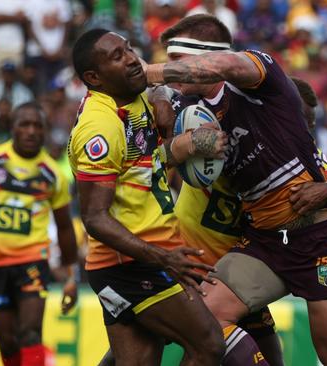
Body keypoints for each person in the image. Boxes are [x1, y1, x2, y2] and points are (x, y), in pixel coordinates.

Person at [145, 14, 327, 366]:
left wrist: (152, 72)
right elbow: (155, 151)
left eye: (177, 61)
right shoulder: (189, 110)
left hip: (319, 236)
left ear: (200, 58)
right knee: (202, 322)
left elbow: (218, 65)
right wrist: (165, 106)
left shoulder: (258, 74)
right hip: (264, 241)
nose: (171, 71)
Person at [68, 29, 226, 365]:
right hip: (129, 263)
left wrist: (171, 118)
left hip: (133, 260)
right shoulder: (100, 128)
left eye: (128, 49)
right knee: (209, 343)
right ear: (94, 78)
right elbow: (94, 218)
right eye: (117, 57)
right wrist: (163, 258)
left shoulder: (132, 96)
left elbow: (145, 163)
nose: (130, 59)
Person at [0, 102, 78, 366]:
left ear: (45, 131)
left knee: (30, 332)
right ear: (12, 128)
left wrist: (70, 277)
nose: (31, 131)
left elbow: (66, 227)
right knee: (6, 341)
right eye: (25, 124)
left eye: (38, 126)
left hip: (33, 262)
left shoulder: (53, 175)